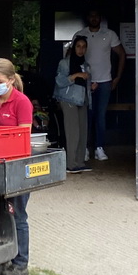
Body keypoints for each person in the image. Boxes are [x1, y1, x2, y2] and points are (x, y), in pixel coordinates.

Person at [0, 58, 33, 275]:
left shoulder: (22, 102)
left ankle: (21, 263)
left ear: (11, 80)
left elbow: (23, 137)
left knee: (18, 215)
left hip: (17, 165)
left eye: (0, 81)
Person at [75, 9, 126, 162]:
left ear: (100, 18)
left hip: (104, 81)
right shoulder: (80, 34)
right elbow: (70, 56)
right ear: (88, 18)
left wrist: (117, 78)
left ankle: (99, 148)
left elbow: (122, 54)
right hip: (85, 82)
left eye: (96, 15)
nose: (94, 18)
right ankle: (84, 148)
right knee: (86, 116)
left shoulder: (109, 34)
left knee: (100, 116)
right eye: (91, 15)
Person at [53, 36, 90, 173]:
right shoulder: (65, 63)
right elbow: (59, 82)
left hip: (82, 99)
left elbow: (85, 84)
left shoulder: (86, 65)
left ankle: (79, 162)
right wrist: (75, 76)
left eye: (83, 47)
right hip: (68, 99)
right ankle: (70, 164)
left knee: (82, 131)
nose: (81, 49)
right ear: (73, 48)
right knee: (72, 132)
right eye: (78, 46)